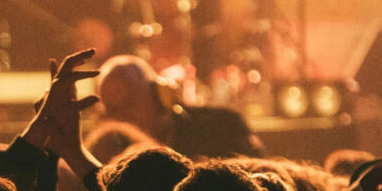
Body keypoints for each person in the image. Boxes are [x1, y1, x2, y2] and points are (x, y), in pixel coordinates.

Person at [96, 55, 263, 160]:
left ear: (159, 94)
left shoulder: (223, 126)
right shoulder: (112, 153)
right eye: (113, 110)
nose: (122, 118)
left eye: (129, 104)